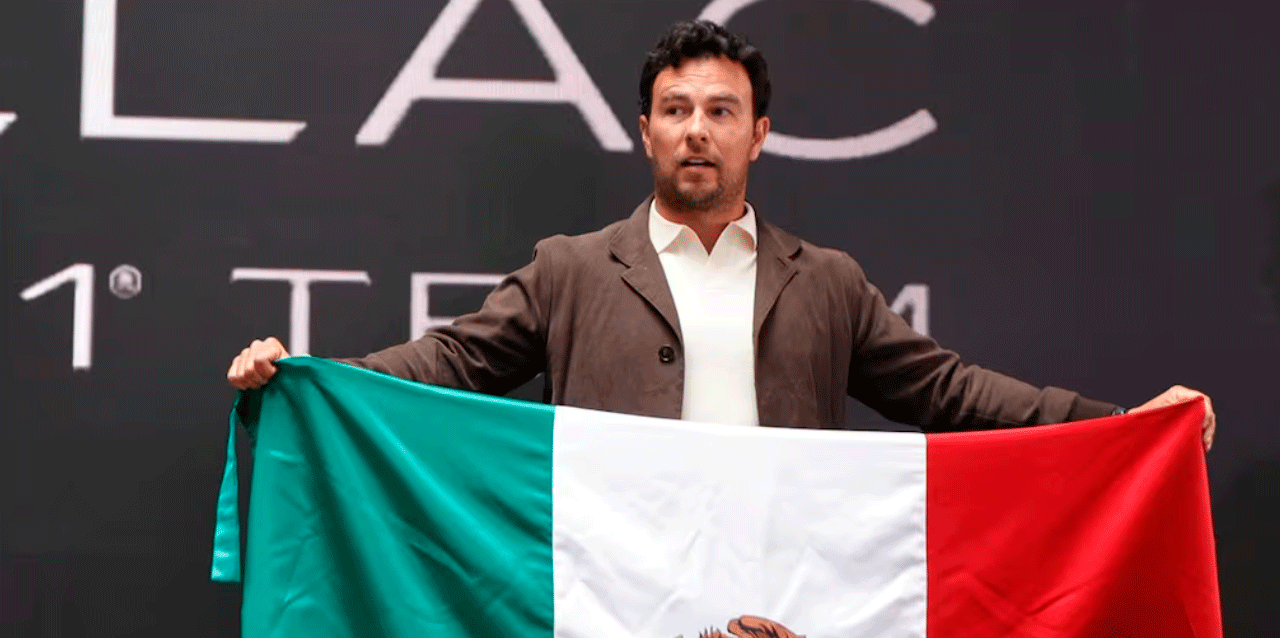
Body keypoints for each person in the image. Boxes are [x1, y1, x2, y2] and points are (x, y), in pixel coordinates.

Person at [228, 19, 1215, 449]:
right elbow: (448, 362)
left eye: (719, 110)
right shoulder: (570, 271)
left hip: (776, 596)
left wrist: (1121, 424)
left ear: (758, 133)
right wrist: (310, 377)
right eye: (675, 109)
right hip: (611, 599)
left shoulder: (826, 282)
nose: (696, 129)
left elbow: (949, 393)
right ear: (644, 131)